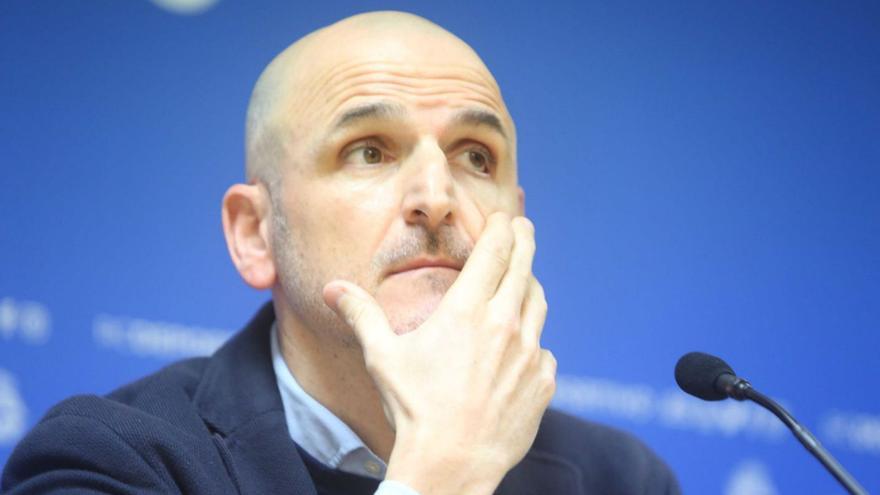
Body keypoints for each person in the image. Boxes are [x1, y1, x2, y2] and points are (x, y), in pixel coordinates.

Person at [2, 11, 680, 495]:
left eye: (476, 156)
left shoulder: (620, 478)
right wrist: (438, 478)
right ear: (254, 233)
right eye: (369, 151)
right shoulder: (110, 460)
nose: (436, 196)